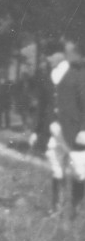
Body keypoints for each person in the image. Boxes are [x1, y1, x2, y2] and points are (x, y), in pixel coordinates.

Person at [31, 38, 85, 219]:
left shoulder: (78, 75)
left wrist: (83, 130)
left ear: (60, 54)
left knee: (80, 170)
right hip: (52, 130)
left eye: (50, 55)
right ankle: (57, 208)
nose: (47, 59)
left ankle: (77, 209)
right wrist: (36, 131)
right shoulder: (46, 76)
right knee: (56, 166)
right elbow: (42, 106)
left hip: (74, 130)